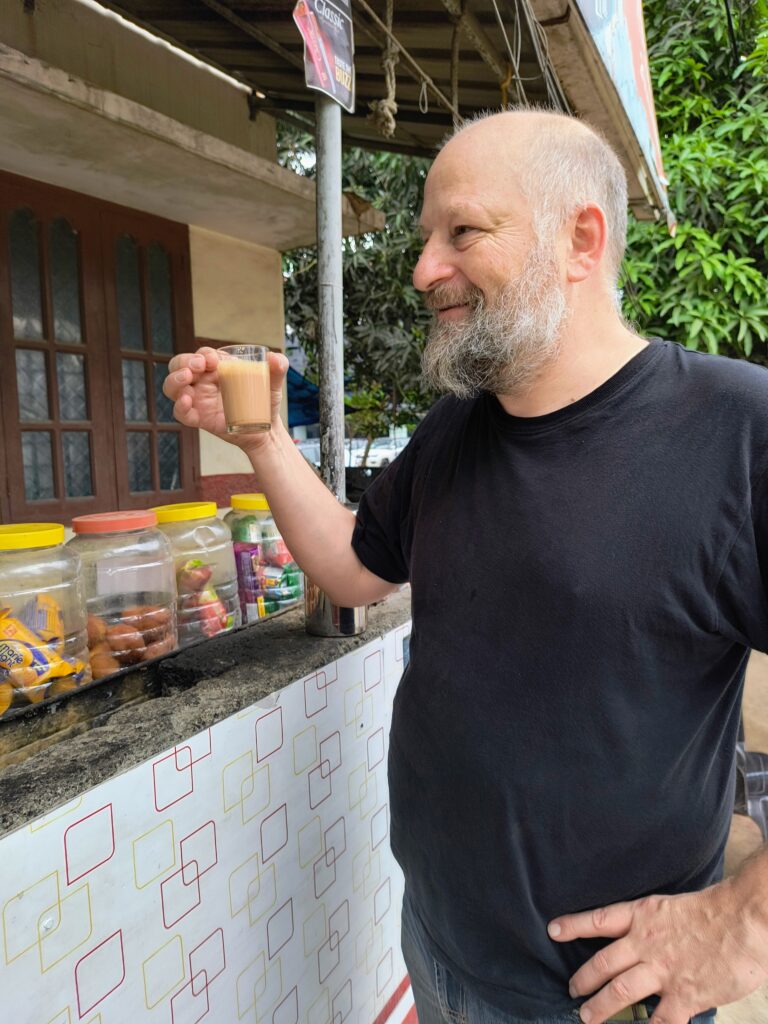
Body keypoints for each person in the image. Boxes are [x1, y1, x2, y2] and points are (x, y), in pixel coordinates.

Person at [164, 110, 768, 1024]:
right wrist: (262, 440)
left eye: (463, 232)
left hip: (596, 999)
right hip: (438, 945)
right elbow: (356, 569)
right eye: (426, 238)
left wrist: (742, 925)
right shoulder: (456, 428)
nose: (423, 270)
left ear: (581, 239)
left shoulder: (737, 431)